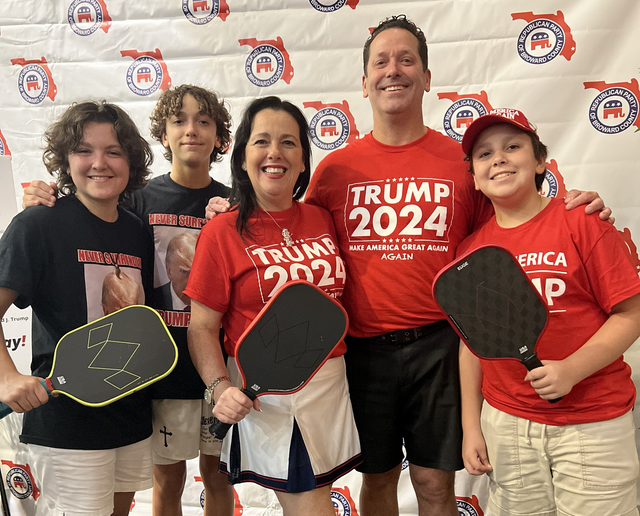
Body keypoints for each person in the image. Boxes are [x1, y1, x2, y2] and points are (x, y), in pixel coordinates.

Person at [204, 15, 611, 516]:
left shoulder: (459, 162)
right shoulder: (334, 170)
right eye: (381, 61)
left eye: (406, 59)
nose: (393, 70)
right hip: (360, 353)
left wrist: (570, 204)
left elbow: (510, 225)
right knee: (376, 484)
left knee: (434, 486)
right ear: (364, 81)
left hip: (441, 347)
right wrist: (229, 205)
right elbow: (286, 216)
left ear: (426, 76)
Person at [21, 85, 234, 516]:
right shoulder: (137, 200)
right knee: (167, 478)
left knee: (219, 475)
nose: (191, 130)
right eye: (179, 120)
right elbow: (87, 220)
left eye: (204, 121)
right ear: (164, 134)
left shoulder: (233, 202)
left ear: (220, 138)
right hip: (156, 371)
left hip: (218, 364)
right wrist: (38, 202)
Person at [456, 108, 640, 516]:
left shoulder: (582, 221)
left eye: (513, 147)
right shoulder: (471, 252)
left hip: (592, 420)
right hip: (506, 423)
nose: (499, 158)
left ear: (540, 161)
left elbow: (631, 313)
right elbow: (473, 344)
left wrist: (571, 369)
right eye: (484, 154)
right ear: (473, 177)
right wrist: (472, 424)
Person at [186, 96, 361, 516]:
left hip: (331, 387)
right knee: (313, 507)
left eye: (289, 142)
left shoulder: (323, 217)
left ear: (303, 160)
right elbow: (202, 327)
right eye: (261, 141)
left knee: (317, 498)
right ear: (243, 156)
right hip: (269, 396)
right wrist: (219, 388)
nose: (274, 153)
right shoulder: (222, 231)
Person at [0, 100, 154, 516]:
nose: (99, 163)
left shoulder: (137, 231)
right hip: (66, 423)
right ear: (66, 160)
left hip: (131, 415)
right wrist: (6, 376)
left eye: (114, 151)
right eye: (84, 150)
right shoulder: (37, 225)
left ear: (130, 162)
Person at [154, 233, 197, 310]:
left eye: (198, 273)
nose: (193, 282)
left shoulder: (213, 300)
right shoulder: (152, 300)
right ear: (169, 271)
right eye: (185, 272)